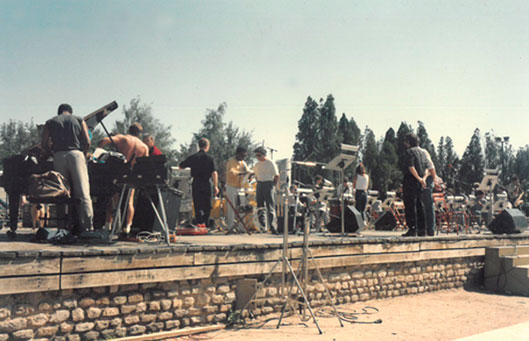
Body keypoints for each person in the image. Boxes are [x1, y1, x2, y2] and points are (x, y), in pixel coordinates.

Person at [41, 103, 93, 234]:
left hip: (58, 156)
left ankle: (62, 228)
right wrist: (84, 154)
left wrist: (51, 153)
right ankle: (88, 227)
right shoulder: (79, 120)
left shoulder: (50, 122)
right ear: (70, 112)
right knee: (83, 193)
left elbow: (43, 144)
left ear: (59, 112)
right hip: (76, 155)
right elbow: (87, 141)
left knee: (61, 192)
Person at [98, 123, 149, 234]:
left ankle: (108, 225)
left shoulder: (124, 138)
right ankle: (128, 228)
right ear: (139, 134)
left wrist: (98, 151)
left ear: (129, 130)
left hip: (119, 173)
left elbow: (103, 140)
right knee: (130, 201)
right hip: (133, 176)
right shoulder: (144, 147)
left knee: (113, 198)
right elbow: (146, 165)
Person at [179, 138, 219, 228]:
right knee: (207, 204)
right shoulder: (210, 158)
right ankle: (205, 222)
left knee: (198, 203)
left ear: (199, 146)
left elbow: (181, 166)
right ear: (207, 146)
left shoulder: (193, 158)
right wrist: (216, 186)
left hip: (196, 182)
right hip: (207, 182)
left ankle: (199, 222)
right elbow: (214, 173)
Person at [401, 133, 429, 237]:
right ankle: (422, 230)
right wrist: (423, 179)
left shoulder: (409, 152)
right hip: (421, 181)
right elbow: (427, 168)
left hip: (411, 180)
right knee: (420, 205)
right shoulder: (422, 152)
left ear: (408, 142)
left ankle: (412, 229)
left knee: (410, 205)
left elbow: (411, 167)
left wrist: (418, 178)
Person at [253, 146, 279, 233]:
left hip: (269, 183)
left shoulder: (270, 163)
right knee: (260, 206)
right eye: (256, 156)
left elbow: (276, 175)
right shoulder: (257, 165)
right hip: (260, 183)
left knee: (270, 205)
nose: (258, 157)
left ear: (264, 155)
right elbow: (256, 175)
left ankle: (272, 226)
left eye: (259, 155)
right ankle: (262, 226)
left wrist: (273, 185)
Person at [225, 147, 250, 232]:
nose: (243, 157)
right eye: (242, 155)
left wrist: (250, 173)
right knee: (231, 207)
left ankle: (241, 227)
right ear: (238, 154)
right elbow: (231, 172)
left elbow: (247, 170)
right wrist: (241, 173)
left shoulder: (243, 163)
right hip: (231, 186)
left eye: (245, 156)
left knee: (242, 207)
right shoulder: (231, 161)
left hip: (241, 187)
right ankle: (230, 227)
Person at [418, 147, 437, 236]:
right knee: (421, 206)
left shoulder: (423, 152)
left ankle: (430, 229)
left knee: (428, 205)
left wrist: (425, 179)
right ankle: (423, 229)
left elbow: (429, 168)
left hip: (427, 180)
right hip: (421, 179)